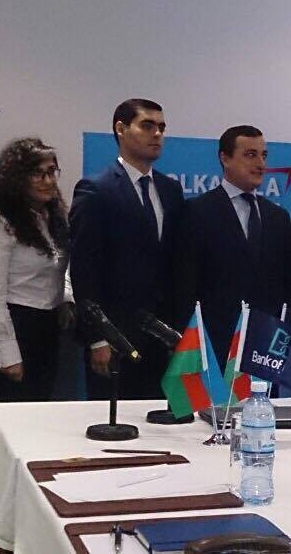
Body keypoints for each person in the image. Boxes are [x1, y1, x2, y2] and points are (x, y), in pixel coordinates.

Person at [70, 98, 185, 400]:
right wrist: (97, 339)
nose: (157, 134)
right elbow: (85, 270)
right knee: (114, 421)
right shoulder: (96, 189)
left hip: (163, 337)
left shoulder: (171, 190)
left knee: (162, 421)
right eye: (147, 126)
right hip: (115, 336)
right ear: (121, 129)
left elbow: (175, 263)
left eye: (161, 127)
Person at [176, 125, 291, 362]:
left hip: (267, 344)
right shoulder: (198, 212)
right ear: (225, 158)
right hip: (214, 343)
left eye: (263, 155)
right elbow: (185, 284)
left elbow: (289, 286)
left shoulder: (278, 217)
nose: (260, 164)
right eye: (250, 155)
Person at [0, 138, 75, 402]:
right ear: (17, 179)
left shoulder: (54, 219)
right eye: (37, 174)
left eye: (52, 171)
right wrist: (8, 353)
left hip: (49, 326)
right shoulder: (0, 224)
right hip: (16, 326)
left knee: (42, 408)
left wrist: (66, 298)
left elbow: (61, 266)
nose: (48, 180)